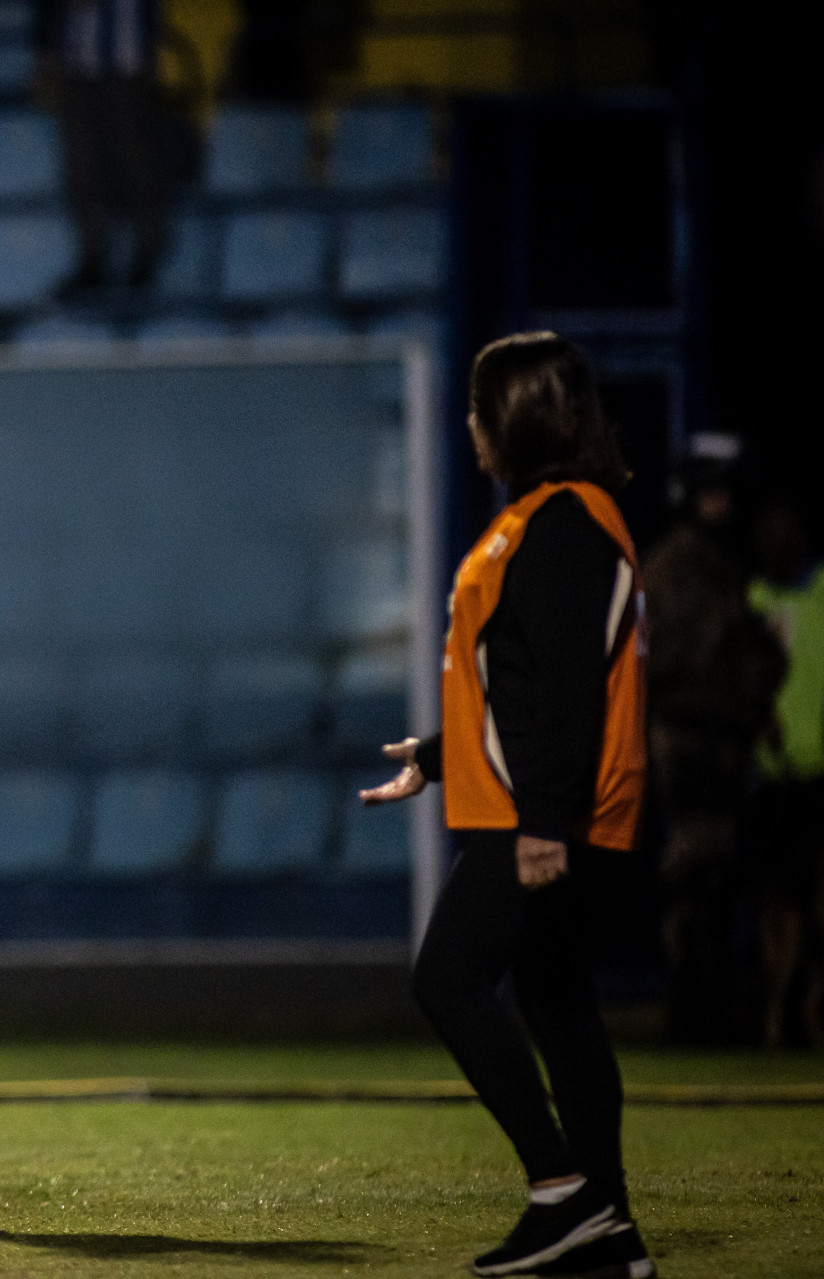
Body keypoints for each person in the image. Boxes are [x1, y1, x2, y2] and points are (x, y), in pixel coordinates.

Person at [362, 332, 654, 1277]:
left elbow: (563, 691)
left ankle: (562, 1192)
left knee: (445, 979)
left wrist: (539, 821)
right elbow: (524, 681)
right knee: (557, 999)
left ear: (515, 419)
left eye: (481, 410)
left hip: (544, 816)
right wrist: (442, 756)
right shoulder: (557, 516)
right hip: (554, 806)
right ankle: (605, 1229)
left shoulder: (562, 522)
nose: (472, 428)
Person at [642, 435, 786, 1043]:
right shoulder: (674, 568)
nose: (720, 504)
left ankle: (713, 1008)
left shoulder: (729, 568)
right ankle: (690, 1014)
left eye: (727, 491)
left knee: (721, 877)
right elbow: (660, 667)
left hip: (729, 742)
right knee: (695, 877)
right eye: (709, 491)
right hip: (690, 740)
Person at [33, 0, 186, 293]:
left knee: (138, 159)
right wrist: (46, 54)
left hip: (128, 62)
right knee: (82, 166)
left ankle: (146, 257)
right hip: (76, 64)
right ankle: (93, 261)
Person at [748, 498, 824, 1047]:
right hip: (773, 776)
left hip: (820, 772)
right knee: (780, 904)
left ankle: (813, 1013)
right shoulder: (752, 599)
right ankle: (776, 1018)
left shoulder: (821, 593)